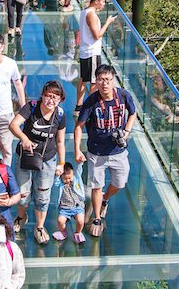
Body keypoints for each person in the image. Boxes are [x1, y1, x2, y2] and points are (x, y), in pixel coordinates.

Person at [74, 64, 138, 237]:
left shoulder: (123, 95)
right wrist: (77, 150)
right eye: (101, 80)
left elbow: (133, 113)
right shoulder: (92, 101)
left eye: (108, 80)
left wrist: (127, 131)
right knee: (96, 186)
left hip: (118, 150)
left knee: (120, 183)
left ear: (113, 79)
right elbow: (79, 126)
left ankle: (105, 199)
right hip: (97, 152)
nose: (105, 84)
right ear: (96, 81)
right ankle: (96, 217)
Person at [9, 81, 67, 244]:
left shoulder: (60, 115)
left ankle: (40, 227)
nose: (51, 100)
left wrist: (61, 163)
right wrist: (24, 139)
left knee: (42, 195)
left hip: (47, 159)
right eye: (48, 96)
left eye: (55, 97)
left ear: (60, 99)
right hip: (25, 156)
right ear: (42, 95)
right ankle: (21, 217)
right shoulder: (31, 107)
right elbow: (13, 125)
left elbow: (60, 141)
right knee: (22, 194)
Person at [77, 0, 117, 111]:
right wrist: (108, 22)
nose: (104, 4)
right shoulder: (91, 15)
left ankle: (79, 106)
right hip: (92, 51)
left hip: (85, 51)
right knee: (94, 81)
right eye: (103, 1)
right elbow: (97, 35)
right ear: (97, 1)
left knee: (83, 79)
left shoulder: (84, 12)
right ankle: (90, 107)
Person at [53, 162, 86, 243]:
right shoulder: (60, 184)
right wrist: (57, 175)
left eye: (69, 178)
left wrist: (79, 163)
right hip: (65, 208)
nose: (68, 180)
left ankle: (78, 233)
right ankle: (63, 232)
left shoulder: (76, 180)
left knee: (81, 221)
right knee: (60, 221)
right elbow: (55, 182)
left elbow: (78, 171)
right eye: (65, 178)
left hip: (77, 206)